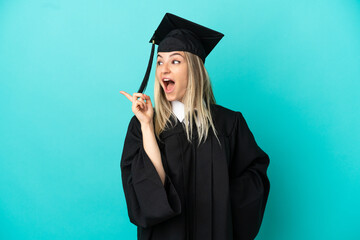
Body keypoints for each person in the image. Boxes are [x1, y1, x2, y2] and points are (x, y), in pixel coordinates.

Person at [120, 13, 270, 240]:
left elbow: (254, 177)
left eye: (175, 61)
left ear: (195, 69)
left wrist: (220, 196)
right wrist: (148, 125)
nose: (164, 69)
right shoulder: (141, 125)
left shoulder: (229, 124)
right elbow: (148, 195)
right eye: (160, 61)